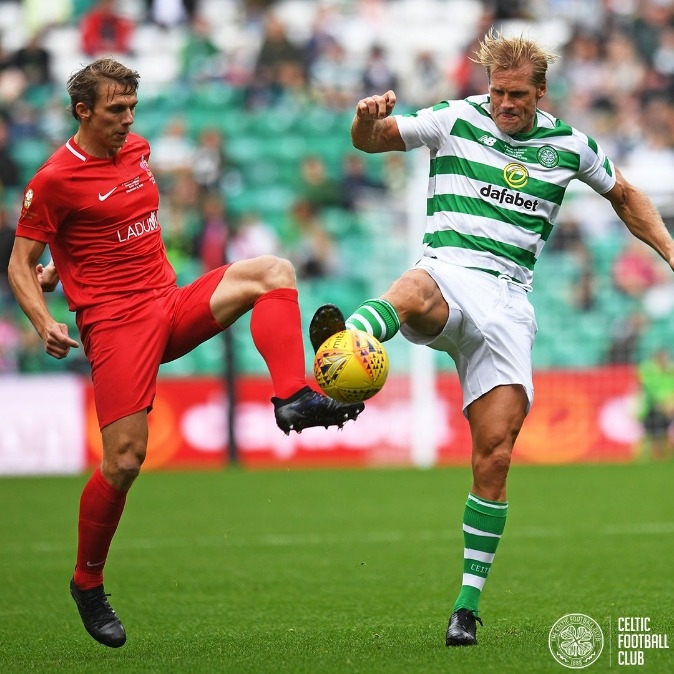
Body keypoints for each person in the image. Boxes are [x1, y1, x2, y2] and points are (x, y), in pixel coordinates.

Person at [309, 29, 674, 647]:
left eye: (518, 95)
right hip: (447, 272)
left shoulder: (571, 145)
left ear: (541, 92)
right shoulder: (454, 118)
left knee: (496, 457)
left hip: (507, 304)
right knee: (413, 288)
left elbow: (625, 194)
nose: (505, 103)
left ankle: (466, 606)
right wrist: (365, 119)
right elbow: (372, 141)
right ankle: (336, 368)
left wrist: (669, 250)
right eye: (498, 91)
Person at [7, 57, 363, 649]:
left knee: (274, 271)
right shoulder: (53, 180)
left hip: (169, 303)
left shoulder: (138, 150)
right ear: (82, 111)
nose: (127, 119)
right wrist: (44, 317)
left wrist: (60, 268)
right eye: (115, 109)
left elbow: (97, 235)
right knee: (124, 461)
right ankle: (86, 582)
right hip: (116, 327)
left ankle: (292, 397)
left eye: (132, 107)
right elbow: (20, 264)